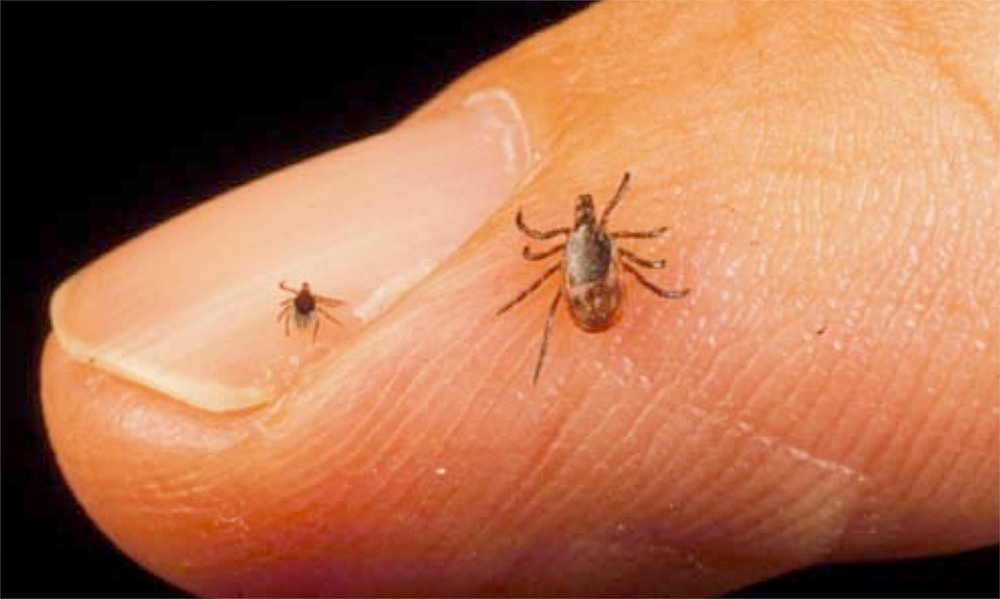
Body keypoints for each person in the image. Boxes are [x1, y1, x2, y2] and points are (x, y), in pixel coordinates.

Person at [41, 2, 998, 596]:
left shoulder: (577, 253)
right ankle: (553, 333)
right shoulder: (599, 249)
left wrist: (587, 255)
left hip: (582, 296)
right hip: (592, 295)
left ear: (594, 240)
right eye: (589, 227)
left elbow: (561, 251)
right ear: (595, 242)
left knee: (546, 302)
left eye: (591, 226)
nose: (588, 230)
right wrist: (610, 257)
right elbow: (591, 250)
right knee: (560, 300)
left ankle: (549, 334)